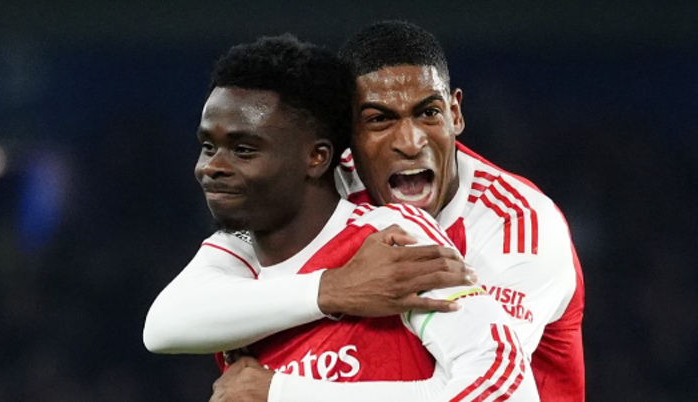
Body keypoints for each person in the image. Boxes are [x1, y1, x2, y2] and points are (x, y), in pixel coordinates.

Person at [144, 21, 584, 402]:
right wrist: (334, 289)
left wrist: (281, 392)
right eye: (379, 119)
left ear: (454, 113)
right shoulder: (330, 183)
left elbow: (493, 387)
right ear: (346, 136)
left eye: (428, 113)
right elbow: (167, 323)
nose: (409, 142)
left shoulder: (518, 226)